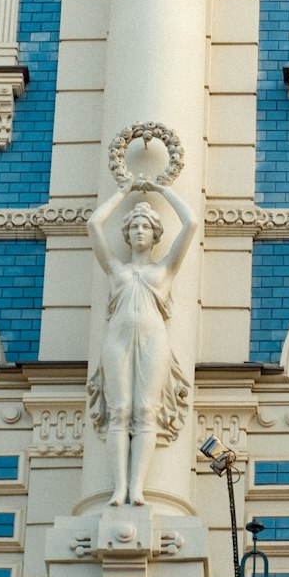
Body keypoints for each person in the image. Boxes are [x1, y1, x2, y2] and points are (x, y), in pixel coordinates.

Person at [86, 179, 198, 506]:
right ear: (126, 233)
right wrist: (123, 191)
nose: (138, 231)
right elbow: (94, 224)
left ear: (155, 235)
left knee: (146, 411)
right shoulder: (116, 271)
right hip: (117, 341)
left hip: (153, 341)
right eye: (133, 226)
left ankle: (137, 487)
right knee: (119, 411)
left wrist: (161, 188)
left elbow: (191, 222)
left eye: (145, 226)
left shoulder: (164, 270)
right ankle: (119, 488)